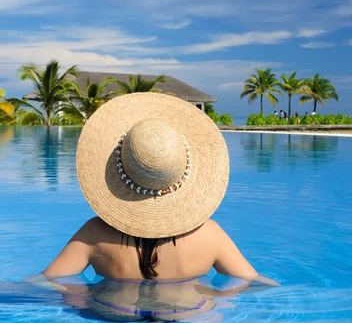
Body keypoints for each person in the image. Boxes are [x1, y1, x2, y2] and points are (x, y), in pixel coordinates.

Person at [43, 93, 278, 288]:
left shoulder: (94, 234)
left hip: (115, 319)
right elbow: (254, 283)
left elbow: (45, 282)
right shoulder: (210, 235)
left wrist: (82, 299)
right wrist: (215, 299)